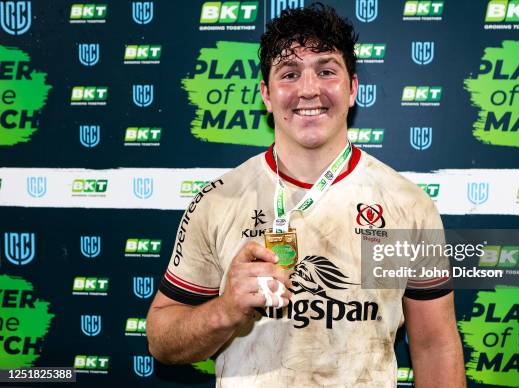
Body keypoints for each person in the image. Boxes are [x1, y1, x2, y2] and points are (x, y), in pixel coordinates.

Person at [146, 4, 466, 387]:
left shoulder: (405, 205)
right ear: (266, 94)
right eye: (290, 73)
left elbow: (434, 346)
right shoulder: (219, 200)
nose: (309, 89)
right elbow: (161, 340)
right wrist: (225, 310)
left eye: (327, 70)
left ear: (352, 89)